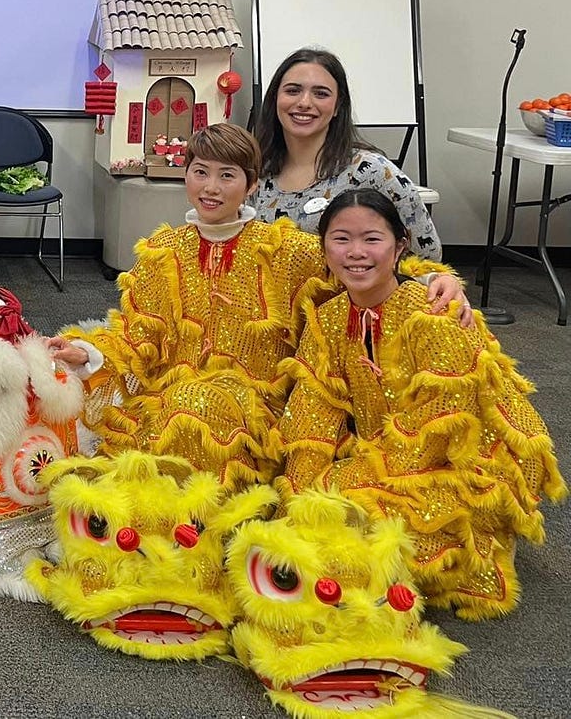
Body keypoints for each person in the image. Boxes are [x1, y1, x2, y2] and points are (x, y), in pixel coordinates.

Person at [64, 124, 465, 488]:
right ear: (185, 175)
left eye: (227, 175)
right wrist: (87, 353)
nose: (211, 187)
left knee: (189, 422)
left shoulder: (286, 249)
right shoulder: (161, 252)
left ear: (252, 184)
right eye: (200, 172)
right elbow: (137, 337)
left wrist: (432, 278)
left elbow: (358, 265)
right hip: (169, 398)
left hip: (256, 408)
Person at [274, 189, 564, 619]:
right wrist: (299, 496)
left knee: (374, 526)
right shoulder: (331, 317)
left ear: (400, 246)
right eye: (341, 239)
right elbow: (312, 411)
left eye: (372, 239)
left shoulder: (434, 312)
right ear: (324, 248)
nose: (356, 253)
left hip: (468, 460)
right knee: (314, 510)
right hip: (386, 450)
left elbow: (440, 428)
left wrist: (353, 476)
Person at [252, 47, 441, 260]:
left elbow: (428, 256)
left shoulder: (373, 172)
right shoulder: (256, 172)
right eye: (293, 91)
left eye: (321, 94)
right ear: (275, 98)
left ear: (337, 107)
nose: (304, 102)